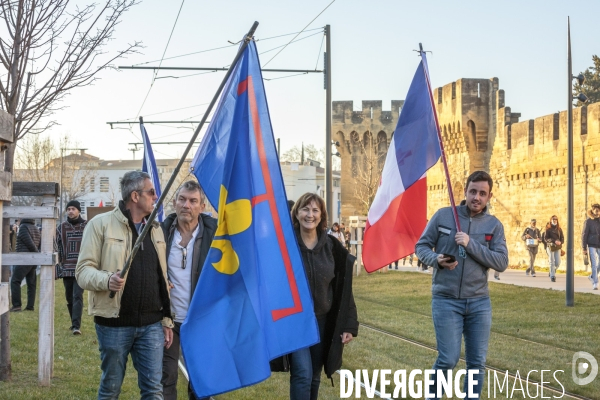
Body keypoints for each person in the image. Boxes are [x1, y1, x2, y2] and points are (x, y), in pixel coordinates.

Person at [76, 171, 173, 399]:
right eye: (151, 192)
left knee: (154, 390)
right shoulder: (99, 224)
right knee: (110, 389)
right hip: (113, 324)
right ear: (135, 196)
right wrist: (107, 280)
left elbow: (162, 278)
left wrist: (167, 319)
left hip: (151, 325)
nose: (155, 196)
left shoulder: (156, 229)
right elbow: (82, 272)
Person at [415, 171, 508, 399]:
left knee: (477, 363)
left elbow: (501, 262)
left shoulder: (494, 225)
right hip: (446, 301)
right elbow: (421, 246)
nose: (477, 197)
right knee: (448, 358)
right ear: (465, 191)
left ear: (489, 196)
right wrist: (436, 260)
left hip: (479, 303)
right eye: (473, 191)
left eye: (482, 193)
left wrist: (470, 244)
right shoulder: (443, 216)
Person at [289, 193, 359, 400]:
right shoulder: (286, 245)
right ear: (297, 213)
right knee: (302, 373)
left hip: (322, 320)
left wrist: (349, 325)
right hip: (294, 321)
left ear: (322, 216)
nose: (310, 215)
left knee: (315, 376)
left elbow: (344, 290)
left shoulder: (332, 247)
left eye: (315, 210)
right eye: (305, 209)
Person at [161, 181, 217, 400]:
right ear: (174, 203)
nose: (187, 205)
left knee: (200, 381)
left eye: (193, 201)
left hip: (202, 319)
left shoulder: (216, 234)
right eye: (182, 199)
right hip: (169, 320)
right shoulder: (161, 233)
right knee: (166, 378)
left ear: (202, 206)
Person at [55, 200, 88, 335]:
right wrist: (58, 266)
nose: (70, 211)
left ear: (79, 210)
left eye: (73, 208)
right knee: (69, 297)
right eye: (68, 209)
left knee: (77, 296)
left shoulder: (87, 226)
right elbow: (57, 247)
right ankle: (73, 322)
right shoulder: (61, 227)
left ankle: (76, 326)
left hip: (81, 267)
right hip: (66, 267)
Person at [10, 217, 41, 312]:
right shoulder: (35, 228)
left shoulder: (23, 227)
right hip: (32, 260)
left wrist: (36, 254)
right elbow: (38, 244)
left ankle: (16, 305)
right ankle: (30, 306)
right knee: (31, 284)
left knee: (15, 281)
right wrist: (36, 257)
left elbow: (29, 243)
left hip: (24, 259)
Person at [582, 204, 600, 290]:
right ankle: (595, 283)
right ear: (592, 211)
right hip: (592, 244)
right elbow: (584, 234)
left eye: (598, 210)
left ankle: (592, 276)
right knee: (594, 263)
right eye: (595, 210)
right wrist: (584, 247)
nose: (597, 211)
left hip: (599, 244)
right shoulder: (588, 221)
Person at [544, 215, 564, 283]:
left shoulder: (559, 229)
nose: (555, 220)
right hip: (550, 247)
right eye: (553, 219)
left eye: (556, 219)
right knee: (551, 261)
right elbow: (546, 238)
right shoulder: (548, 229)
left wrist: (560, 242)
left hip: (557, 247)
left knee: (558, 262)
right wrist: (553, 241)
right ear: (551, 220)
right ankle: (552, 276)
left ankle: (552, 271)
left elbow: (562, 238)